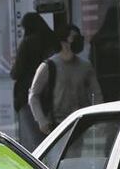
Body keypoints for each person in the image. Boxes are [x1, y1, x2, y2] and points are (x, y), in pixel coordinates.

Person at [28, 23, 104, 137]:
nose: (78, 41)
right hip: (57, 124)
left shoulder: (85, 66)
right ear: (63, 42)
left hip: (80, 122)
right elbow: (34, 95)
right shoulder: (48, 66)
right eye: (74, 38)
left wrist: (99, 117)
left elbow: (97, 93)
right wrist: (41, 120)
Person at [11, 13, 58, 150]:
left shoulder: (28, 43)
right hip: (51, 95)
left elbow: (16, 72)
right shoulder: (52, 39)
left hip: (27, 94)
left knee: (34, 141)